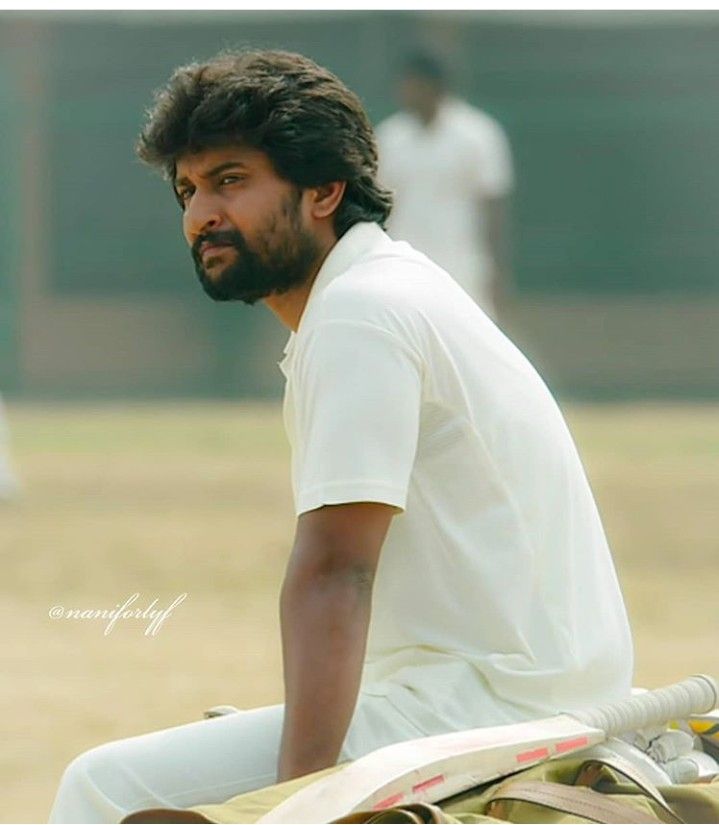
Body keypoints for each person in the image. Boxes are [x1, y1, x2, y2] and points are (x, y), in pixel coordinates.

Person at [48, 49, 633, 823]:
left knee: (102, 788)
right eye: (187, 189)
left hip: (486, 708)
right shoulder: (382, 288)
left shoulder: (360, 313)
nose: (200, 214)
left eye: (230, 180)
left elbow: (335, 573)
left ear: (324, 189)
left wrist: (296, 799)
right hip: (517, 689)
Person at [376, 51, 514, 318]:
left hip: (462, 261)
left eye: (412, 84)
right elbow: (379, 202)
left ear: (433, 86)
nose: (405, 92)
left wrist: (498, 269)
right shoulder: (390, 137)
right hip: (404, 261)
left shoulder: (478, 134)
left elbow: (494, 204)